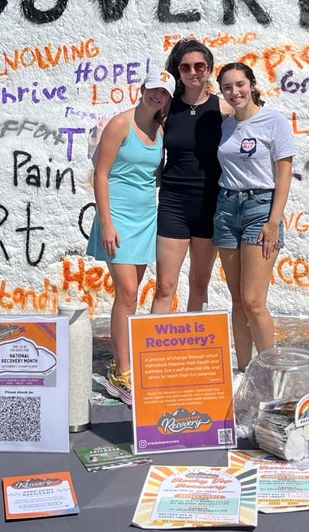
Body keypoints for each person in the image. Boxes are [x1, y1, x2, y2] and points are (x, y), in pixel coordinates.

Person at [87, 71, 175, 404]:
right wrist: (106, 223)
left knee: (132, 294)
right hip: (118, 219)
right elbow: (101, 173)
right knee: (126, 292)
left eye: (164, 93)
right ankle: (121, 375)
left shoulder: (160, 129)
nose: (158, 96)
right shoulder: (120, 124)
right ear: (142, 90)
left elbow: (152, 176)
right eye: (153, 90)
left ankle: (120, 360)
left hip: (145, 219)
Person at [212, 62, 295, 372]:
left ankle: (271, 371)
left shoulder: (274, 122)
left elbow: (284, 175)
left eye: (240, 84)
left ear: (252, 85)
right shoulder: (226, 125)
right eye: (227, 87)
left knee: (253, 301)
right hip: (226, 207)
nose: (235, 92)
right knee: (236, 300)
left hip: (260, 207)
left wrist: (273, 222)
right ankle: (245, 370)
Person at [153, 38, 229, 314]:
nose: (193, 72)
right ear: (178, 71)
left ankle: (194, 353)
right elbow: (139, 130)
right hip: (173, 204)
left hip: (210, 204)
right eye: (185, 67)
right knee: (164, 286)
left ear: (208, 69)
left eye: (199, 66)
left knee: (199, 283)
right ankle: (154, 353)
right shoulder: (166, 108)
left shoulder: (223, 110)